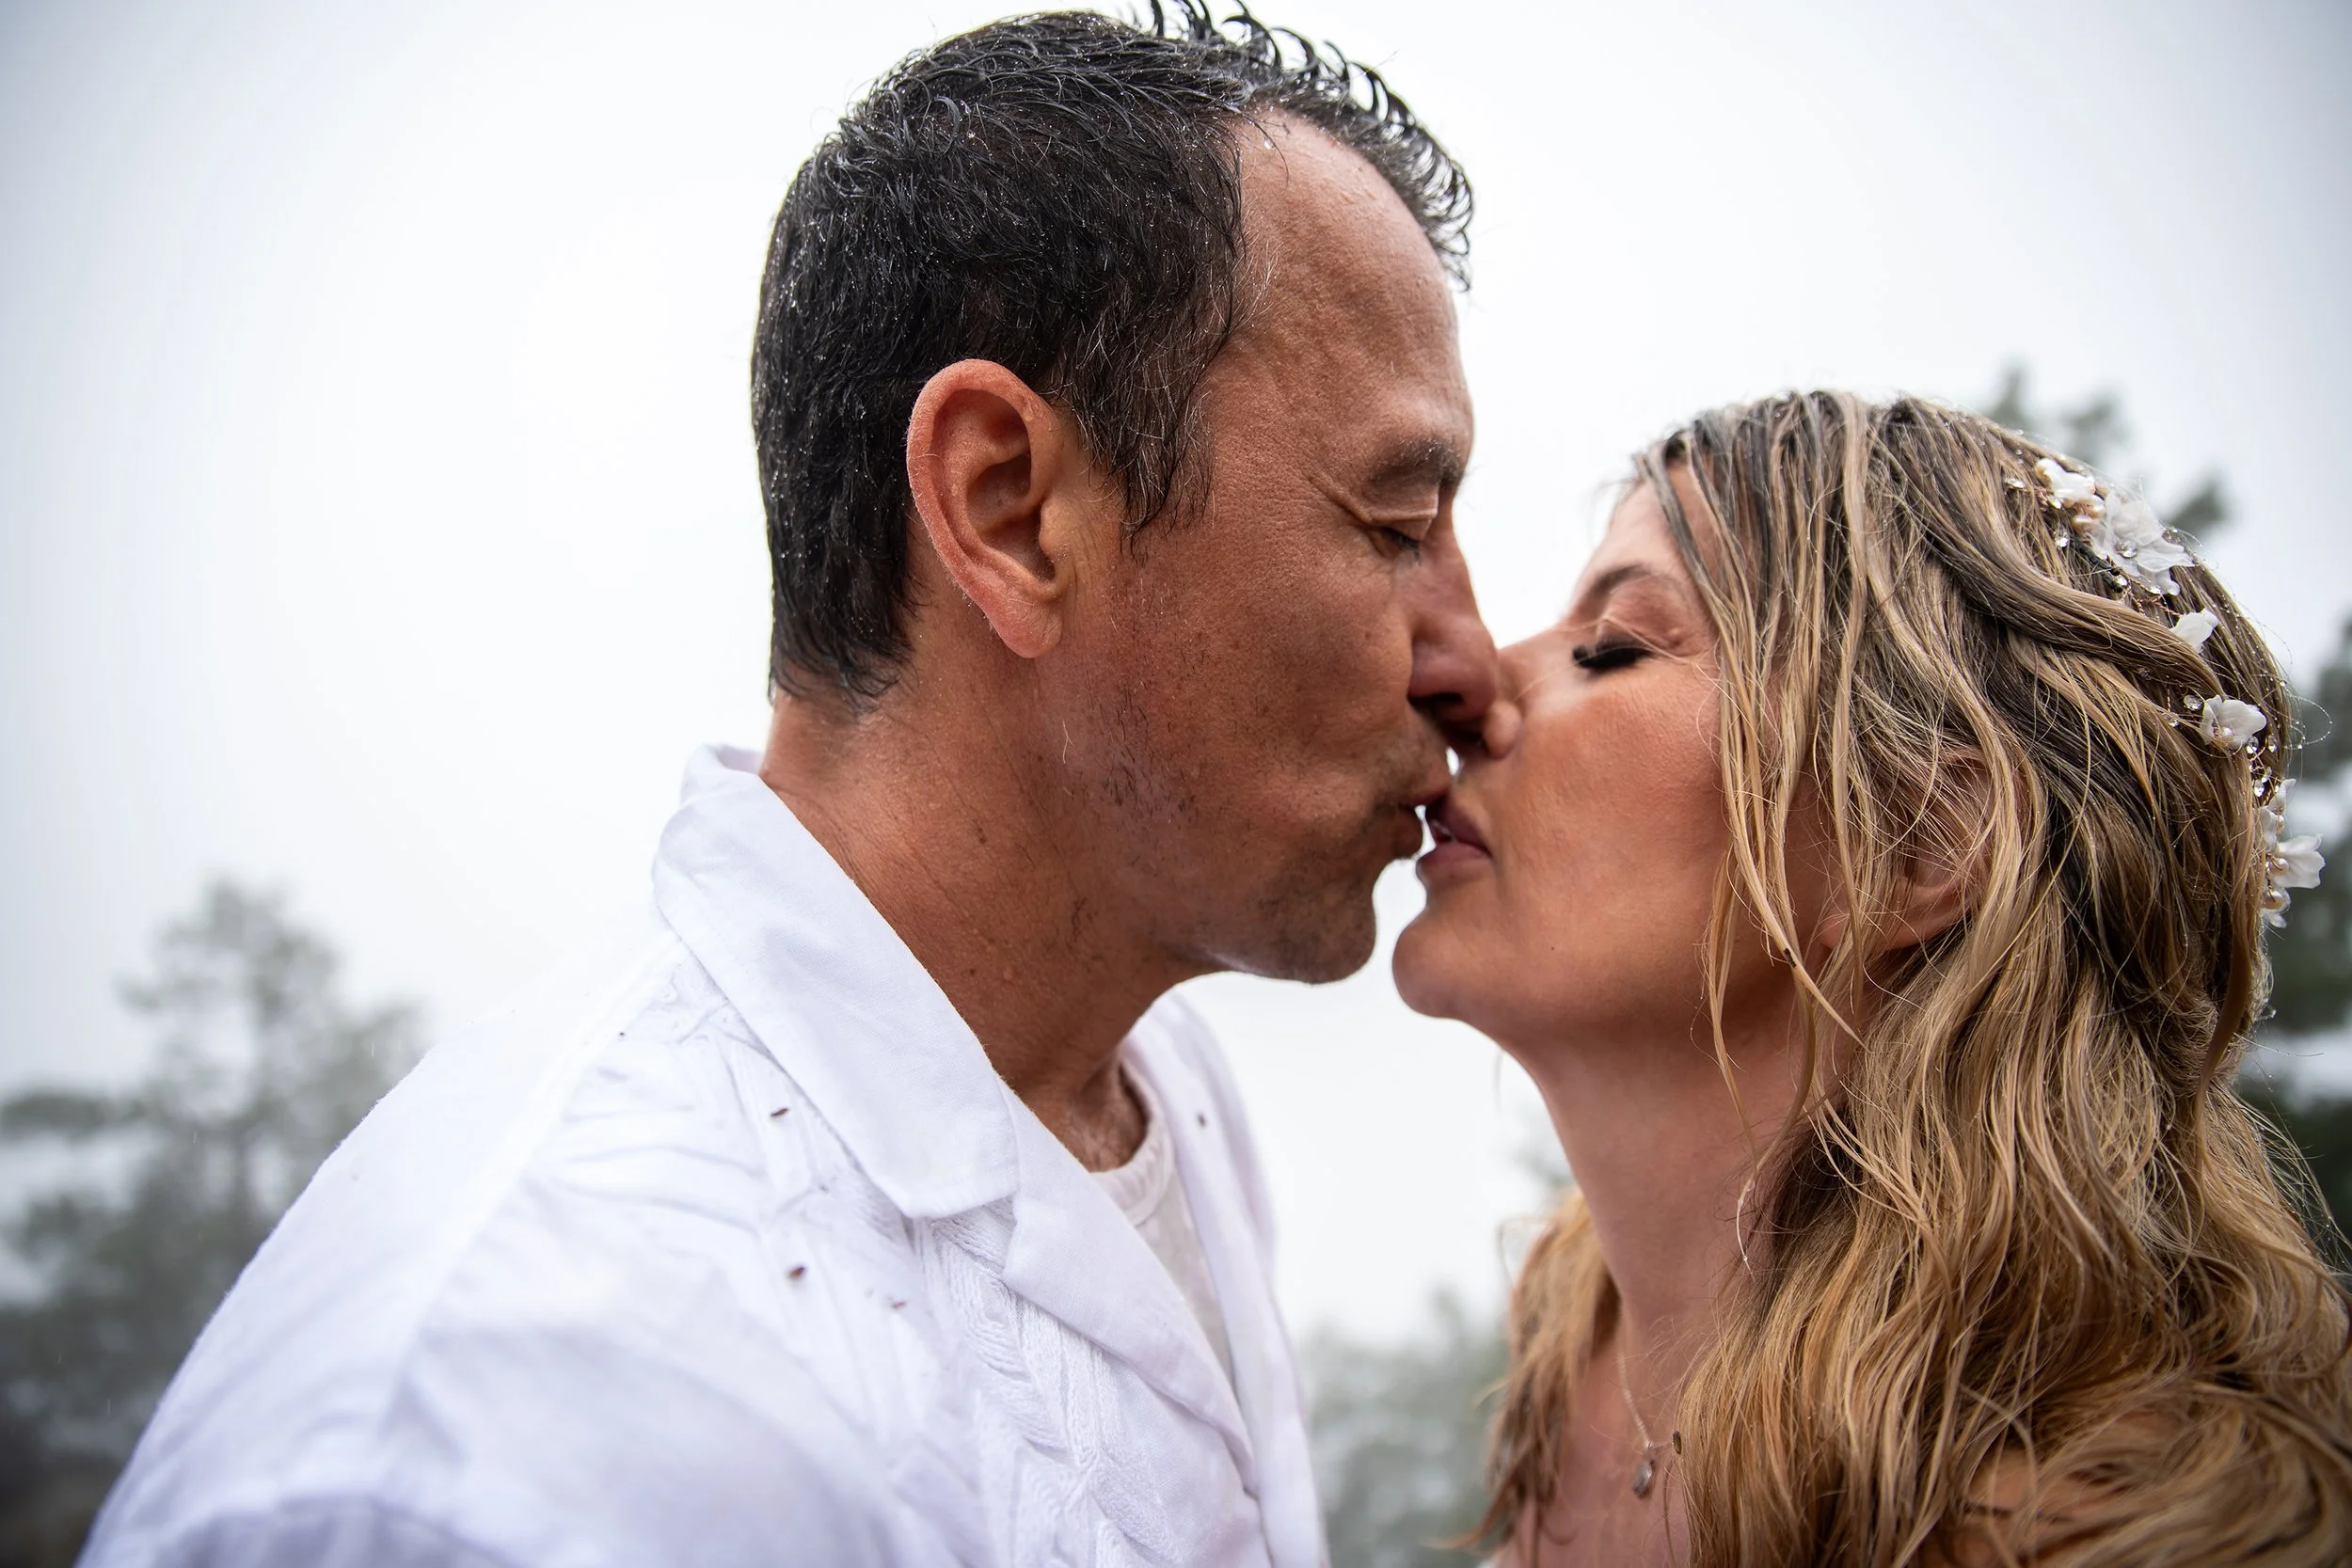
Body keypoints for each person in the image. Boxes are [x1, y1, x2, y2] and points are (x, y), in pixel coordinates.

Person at [83, 7, 1496, 1565]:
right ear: (1009, 508)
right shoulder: (493, 1447)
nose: (1471, 658)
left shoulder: (1165, 1083)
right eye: (1392, 521)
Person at [1396, 391, 2352, 1565]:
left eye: (1617, 645)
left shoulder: (2086, 1525)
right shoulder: (1567, 1352)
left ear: (1916, 844)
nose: (1475, 679)